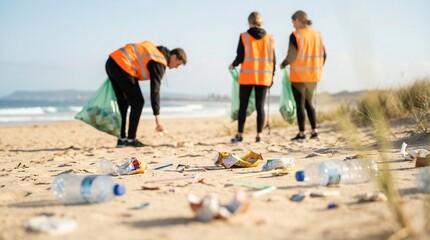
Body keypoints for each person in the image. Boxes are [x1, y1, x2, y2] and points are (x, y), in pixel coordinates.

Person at [105, 41, 186, 147]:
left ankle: (122, 139)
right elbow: (155, 90)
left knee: (123, 102)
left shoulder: (156, 50)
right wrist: (158, 118)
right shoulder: (159, 61)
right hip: (122, 65)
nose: (176, 67)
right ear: (174, 57)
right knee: (138, 101)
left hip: (111, 62)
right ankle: (130, 139)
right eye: (178, 64)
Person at [229, 11, 276, 143]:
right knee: (260, 106)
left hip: (247, 76)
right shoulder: (270, 38)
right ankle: (259, 135)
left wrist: (233, 65)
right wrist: (272, 76)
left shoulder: (244, 36)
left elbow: (240, 56)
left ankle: (239, 134)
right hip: (264, 76)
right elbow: (273, 59)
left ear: (249, 22)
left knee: (243, 106)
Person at [280, 10, 326, 141]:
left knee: (300, 104)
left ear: (298, 20)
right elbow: (324, 55)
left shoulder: (296, 35)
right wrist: (318, 67)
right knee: (309, 103)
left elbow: (292, 55)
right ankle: (314, 131)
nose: (293, 25)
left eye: (293, 22)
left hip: (299, 75)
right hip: (313, 74)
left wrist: (283, 64)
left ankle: (301, 133)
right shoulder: (318, 35)